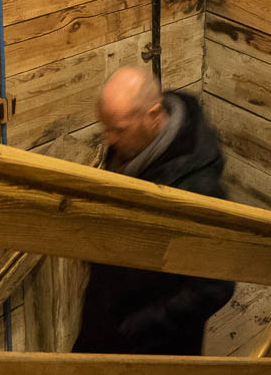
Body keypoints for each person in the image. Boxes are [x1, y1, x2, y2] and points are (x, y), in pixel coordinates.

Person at [72, 66, 235, 355]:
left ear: (154, 115)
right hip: (107, 312)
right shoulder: (132, 147)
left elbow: (214, 286)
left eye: (118, 129)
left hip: (155, 343)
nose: (108, 140)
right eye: (105, 127)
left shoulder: (198, 187)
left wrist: (141, 324)